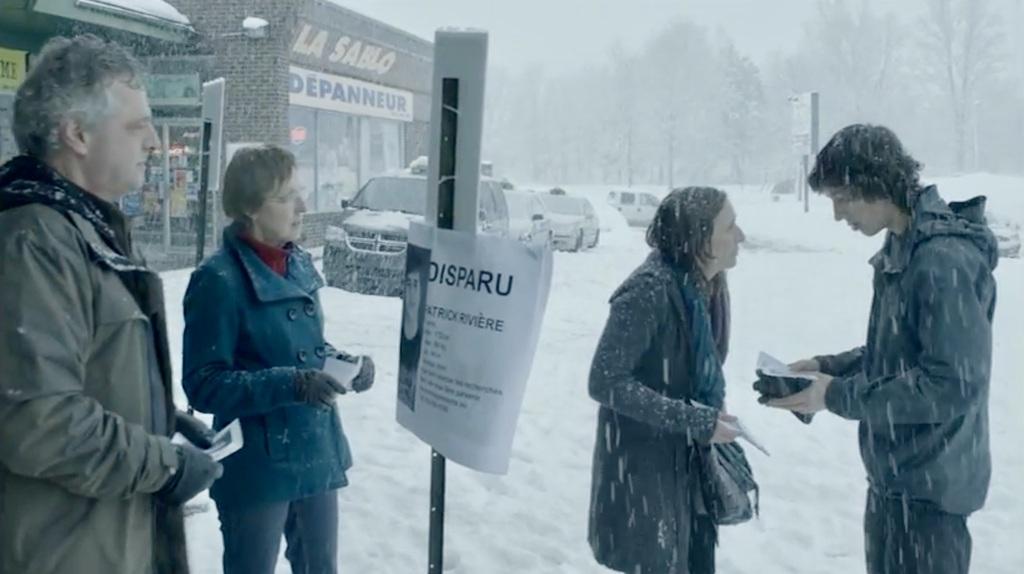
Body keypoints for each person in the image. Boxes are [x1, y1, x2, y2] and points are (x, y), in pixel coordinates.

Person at [0, 35, 221, 574]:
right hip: (65, 552)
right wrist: (163, 466)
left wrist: (156, 415)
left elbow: (77, 371)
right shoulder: (35, 240)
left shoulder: (84, 228)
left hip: (107, 543)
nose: (152, 141)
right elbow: (38, 420)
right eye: (136, 125)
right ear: (77, 134)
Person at [768, 124, 997, 574]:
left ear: (873, 185)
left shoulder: (942, 260)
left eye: (841, 198)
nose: (837, 215)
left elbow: (951, 384)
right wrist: (825, 367)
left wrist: (834, 394)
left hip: (932, 496)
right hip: (898, 483)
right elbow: (899, 353)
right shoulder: (903, 246)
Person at [182, 144, 375, 574]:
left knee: (320, 567)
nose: (302, 207)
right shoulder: (217, 280)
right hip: (258, 464)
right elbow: (203, 383)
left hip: (315, 448)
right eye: (287, 197)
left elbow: (307, 348)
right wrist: (291, 384)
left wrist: (347, 365)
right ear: (250, 208)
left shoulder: (297, 262)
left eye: (299, 193)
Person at [588, 186, 747, 573]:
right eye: (730, 226)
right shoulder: (649, 290)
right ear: (699, 239)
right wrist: (695, 420)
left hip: (690, 475)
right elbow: (604, 381)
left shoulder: (707, 285)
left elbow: (699, 373)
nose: (740, 236)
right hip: (647, 479)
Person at [398, 244, 430, 411]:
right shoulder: (401, 332)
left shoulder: (426, 334)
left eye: (415, 285)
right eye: (408, 284)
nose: (411, 291)